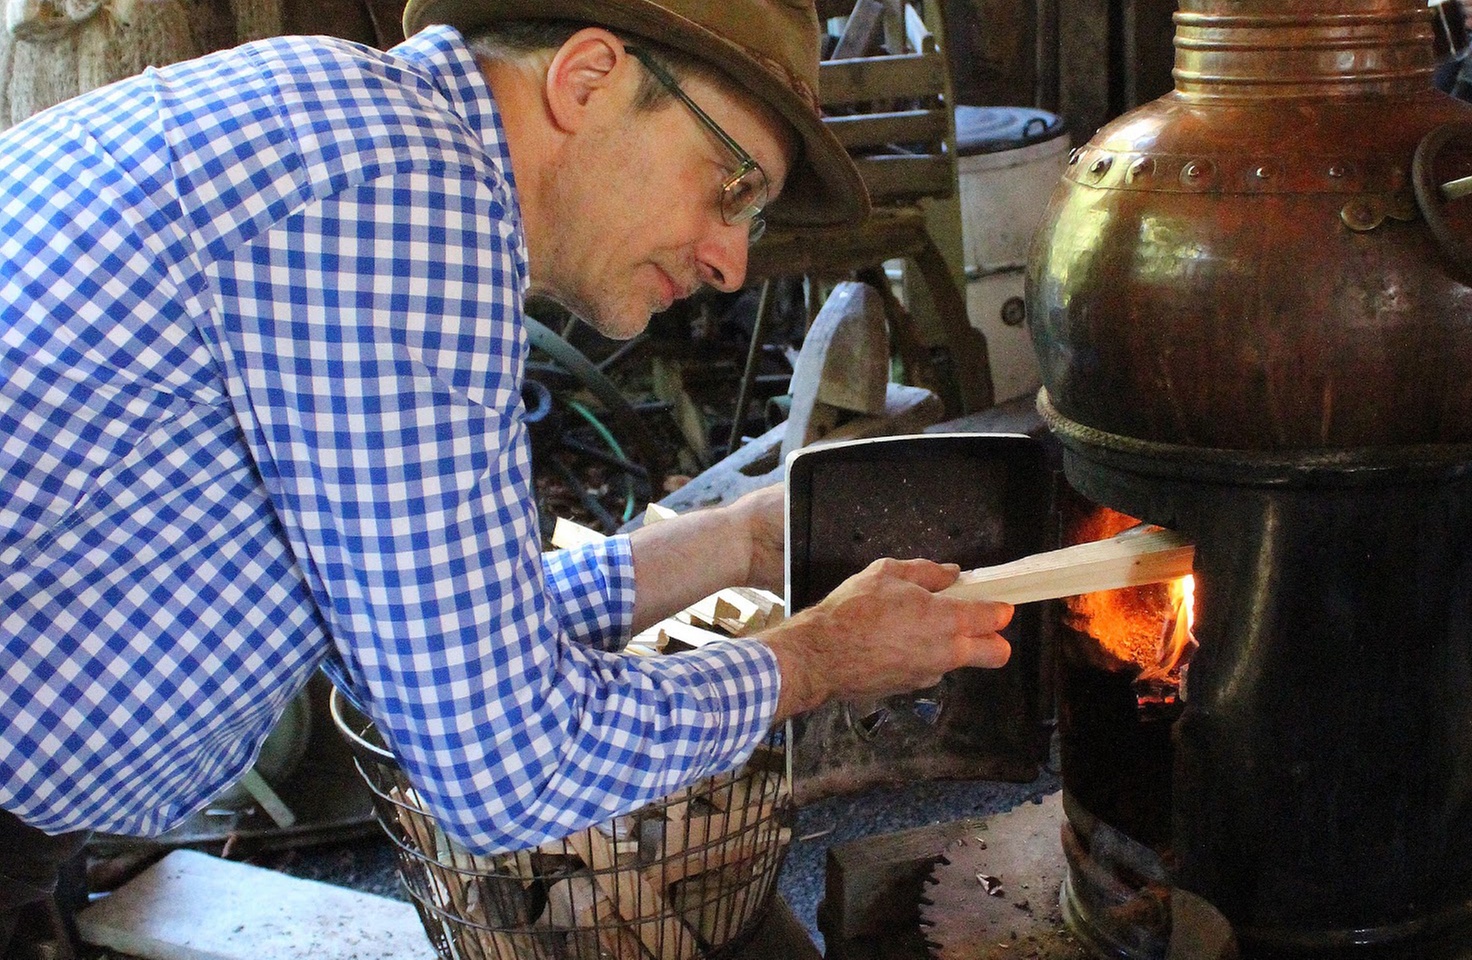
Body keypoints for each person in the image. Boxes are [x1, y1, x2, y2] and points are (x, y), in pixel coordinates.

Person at [0, 0, 1015, 953]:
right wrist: (818, 660)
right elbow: (507, 764)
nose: (730, 263)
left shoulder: (372, 148)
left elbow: (445, 653)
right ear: (585, 80)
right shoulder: (397, 199)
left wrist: (737, 541)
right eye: (732, 186)